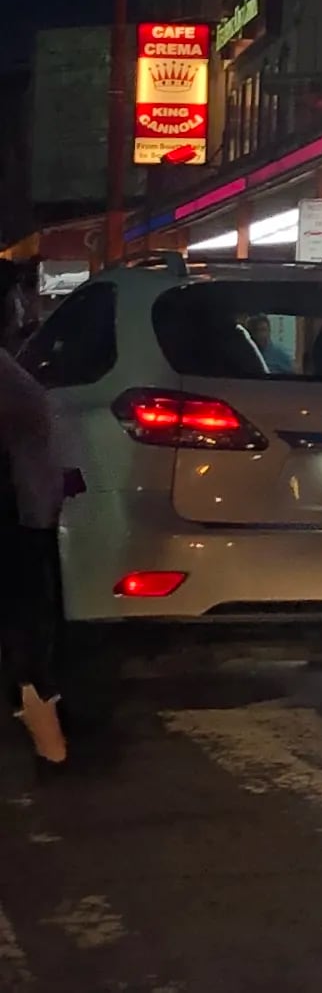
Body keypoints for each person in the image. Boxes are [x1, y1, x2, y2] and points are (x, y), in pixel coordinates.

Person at [0, 266, 67, 772]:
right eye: (17, 300)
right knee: (23, 628)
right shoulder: (8, 378)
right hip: (17, 520)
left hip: (23, 515)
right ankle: (50, 749)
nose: (25, 310)